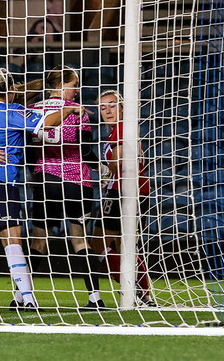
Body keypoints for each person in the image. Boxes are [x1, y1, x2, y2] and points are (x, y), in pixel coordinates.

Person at [0, 66, 81, 312]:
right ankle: (28, 298)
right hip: (1, 182)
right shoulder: (13, 111)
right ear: (9, 90)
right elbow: (47, 123)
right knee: (13, 240)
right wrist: (70, 109)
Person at [26, 66, 106, 310]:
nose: (77, 90)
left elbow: (28, 149)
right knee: (80, 241)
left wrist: (37, 172)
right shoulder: (77, 112)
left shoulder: (34, 110)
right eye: (74, 85)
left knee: (39, 240)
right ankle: (95, 298)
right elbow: (83, 148)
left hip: (46, 181)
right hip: (76, 182)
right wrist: (101, 168)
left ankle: (23, 297)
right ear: (62, 86)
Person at [95, 89, 154, 305]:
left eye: (111, 105)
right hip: (138, 190)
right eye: (102, 107)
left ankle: (132, 289)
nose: (107, 110)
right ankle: (144, 294)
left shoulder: (120, 129)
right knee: (126, 244)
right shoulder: (121, 130)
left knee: (99, 243)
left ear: (122, 107)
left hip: (123, 190)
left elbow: (118, 157)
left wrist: (107, 170)